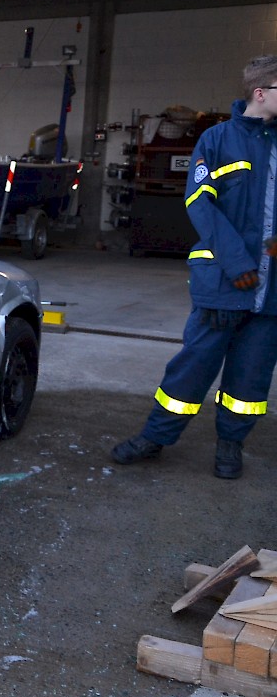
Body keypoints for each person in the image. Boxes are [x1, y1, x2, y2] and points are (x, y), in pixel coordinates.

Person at [112, 55, 277, 479]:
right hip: (224, 282)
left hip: (271, 293)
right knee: (192, 368)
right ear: (261, 92)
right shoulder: (217, 140)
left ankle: (230, 444)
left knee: (250, 380)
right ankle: (155, 437)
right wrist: (238, 262)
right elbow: (199, 202)